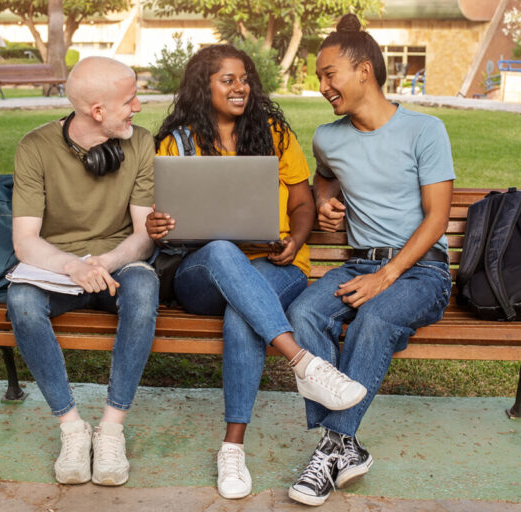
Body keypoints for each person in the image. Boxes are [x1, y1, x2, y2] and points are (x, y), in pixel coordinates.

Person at [145, 44, 367, 500]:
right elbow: (165, 224)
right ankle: (303, 362)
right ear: (202, 86)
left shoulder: (272, 134)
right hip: (202, 272)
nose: (240, 87)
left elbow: (303, 202)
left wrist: (296, 239)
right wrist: (158, 225)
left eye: (245, 79)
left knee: (241, 315)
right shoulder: (179, 142)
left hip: (276, 265)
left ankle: (232, 449)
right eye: (228, 79)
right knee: (225, 249)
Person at [285, 15, 455, 506]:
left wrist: (389, 275)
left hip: (420, 271)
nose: (321, 87)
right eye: (318, 77)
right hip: (359, 264)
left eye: (328, 74)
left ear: (364, 71)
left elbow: (437, 218)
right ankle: (346, 446)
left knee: (374, 320)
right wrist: (323, 199)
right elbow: (323, 176)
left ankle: (332, 447)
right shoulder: (328, 137)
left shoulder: (425, 130)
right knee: (302, 313)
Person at [6, 56, 159, 486]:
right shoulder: (34, 147)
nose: (138, 107)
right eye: (130, 100)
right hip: (57, 268)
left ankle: (111, 429)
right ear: (97, 111)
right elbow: (26, 241)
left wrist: (106, 263)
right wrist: (73, 267)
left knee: (145, 287)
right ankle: (72, 429)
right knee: (20, 300)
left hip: (118, 265)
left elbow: (145, 233)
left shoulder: (141, 142)